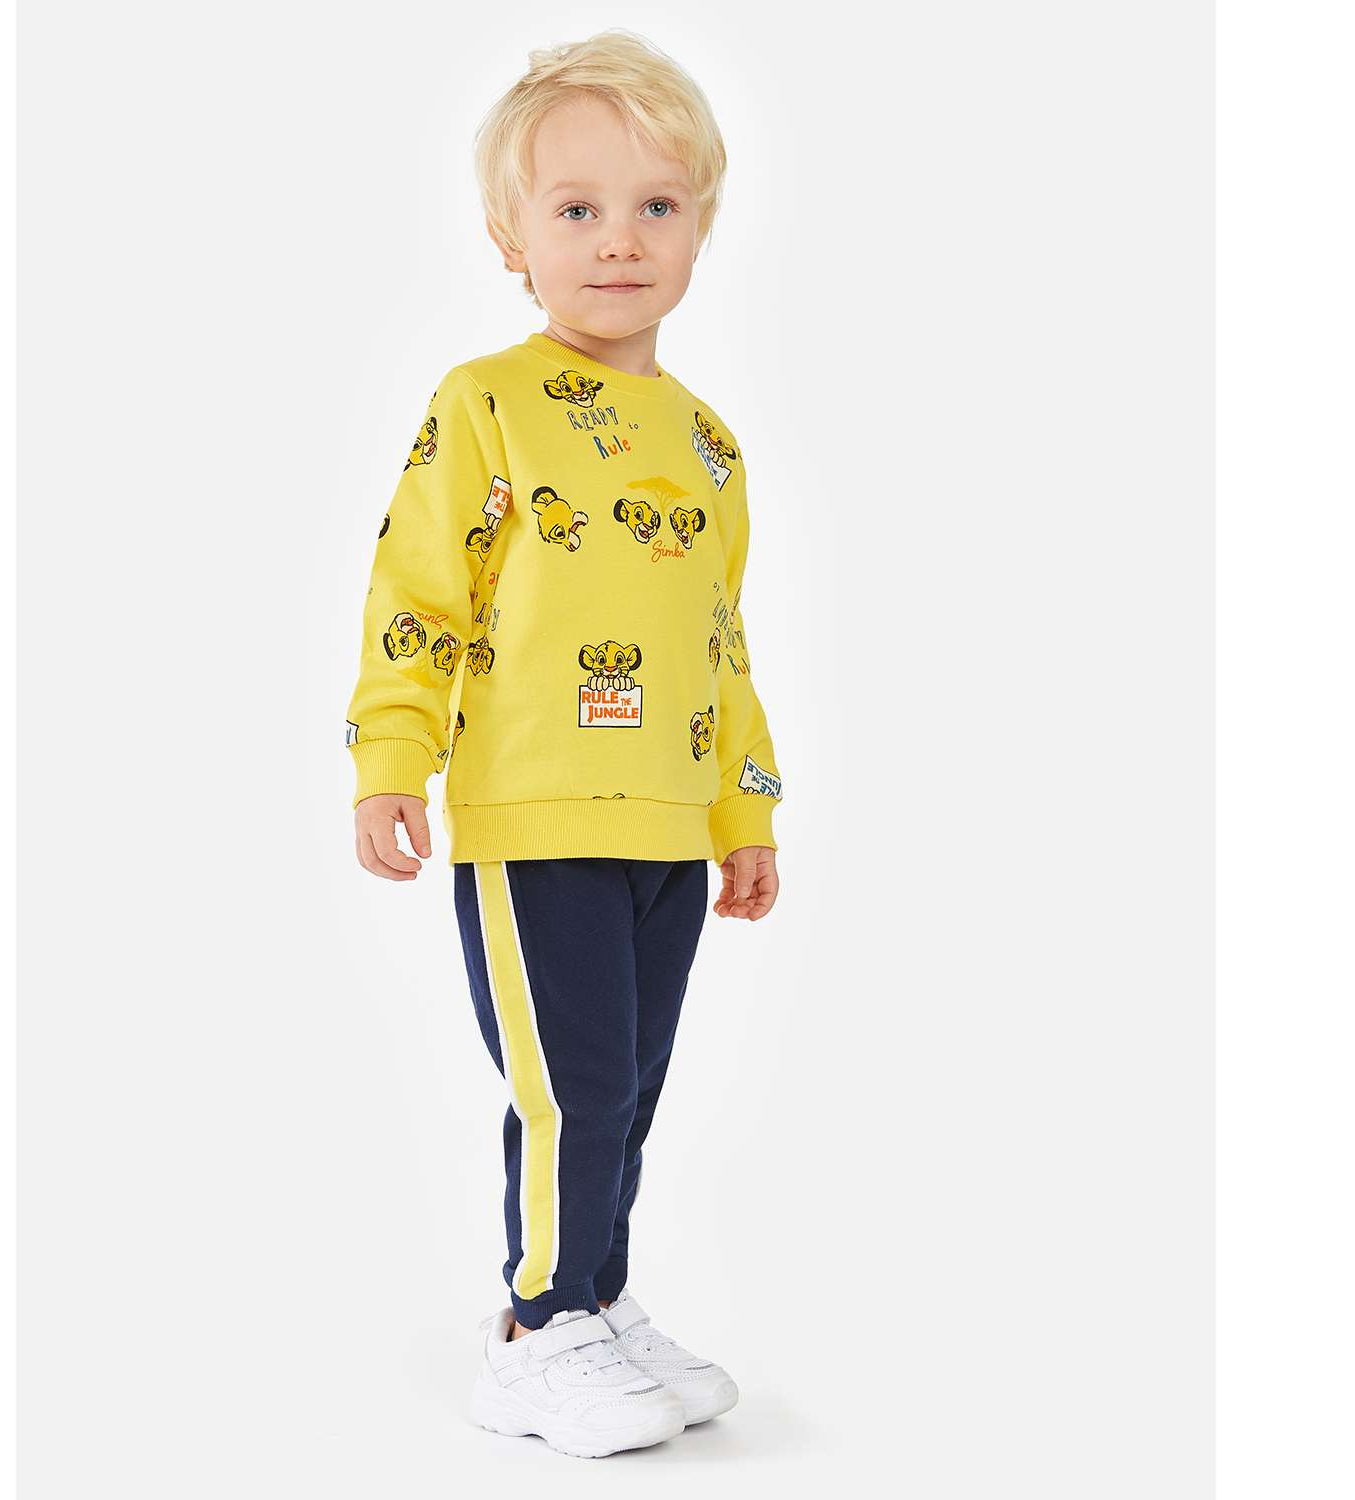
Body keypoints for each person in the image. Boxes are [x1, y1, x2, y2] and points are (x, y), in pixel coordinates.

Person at [344, 29, 785, 1459]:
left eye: (657, 206)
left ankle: (596, 1294)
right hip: (537, 818)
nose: (619, 241)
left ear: (701, 229)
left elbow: (720, 642)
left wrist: (744, 812)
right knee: (569, 1088)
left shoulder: (709, 445)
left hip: (668, 823)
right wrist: (391, 761)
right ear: (511, 238)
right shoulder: (486, 403)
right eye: (577, 208)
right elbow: (419, 595)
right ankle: (537, 1330)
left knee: (632, 1088)